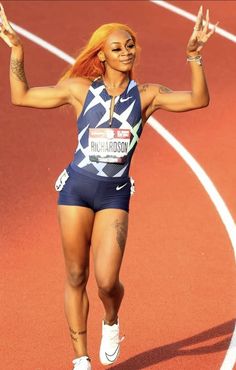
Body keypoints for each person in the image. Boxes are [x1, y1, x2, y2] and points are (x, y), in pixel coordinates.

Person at [0, 3, 217, 369]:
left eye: (130, 45)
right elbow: (21, 97)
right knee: (75, 274)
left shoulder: (146, 95)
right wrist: (17, 51)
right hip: (76, 191)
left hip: (114, 194)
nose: (126, 52)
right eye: (117, 48)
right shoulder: (78, 90)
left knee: (106, 280)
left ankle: (111, 319)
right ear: (101, 56)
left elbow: (198, 100)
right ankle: (80, 358)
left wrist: (194, 56)